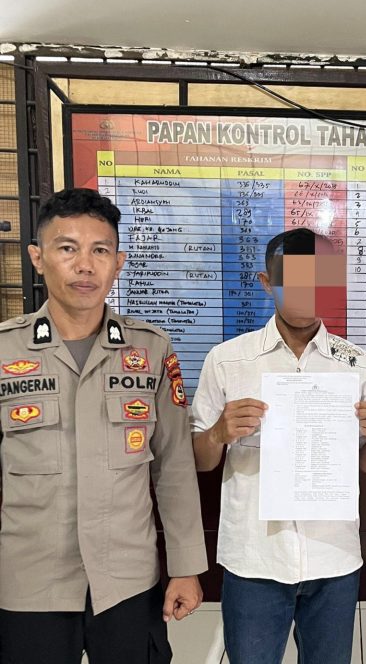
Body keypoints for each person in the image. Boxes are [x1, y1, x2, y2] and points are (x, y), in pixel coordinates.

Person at [0, 188, 207, 664]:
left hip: (127, 581)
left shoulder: (150, 349)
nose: (85, 266)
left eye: (100, 250)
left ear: (119, 262)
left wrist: (186, 567)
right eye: (67, 248)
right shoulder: (6, 351)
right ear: (37, 257)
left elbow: (174, 467)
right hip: (31, 582)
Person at [191, 228, 366, 664]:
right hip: (255, 559)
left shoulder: (357, 364)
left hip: (334, 557)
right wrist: (219, 433)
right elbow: (201, 460)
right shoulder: (227, 360)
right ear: (267, 282)